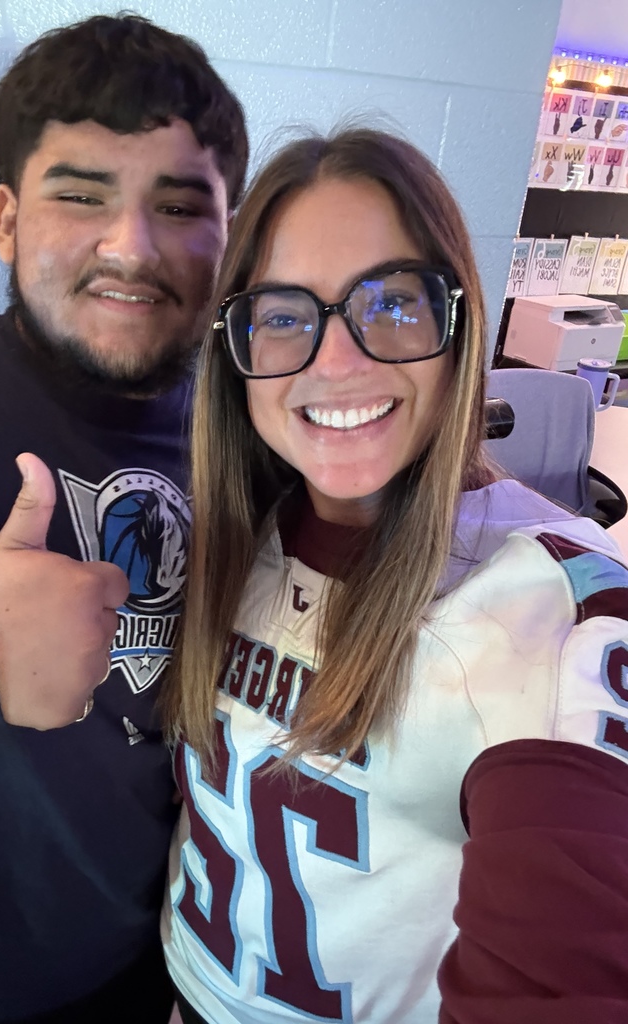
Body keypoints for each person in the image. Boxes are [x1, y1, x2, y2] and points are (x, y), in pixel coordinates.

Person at [159, 127, 628, 1023]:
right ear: (236, 352)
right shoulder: (231, 538)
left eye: (393, 303)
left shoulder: (557, 609)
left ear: (459, 327)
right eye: (284, 315)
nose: (338, 362)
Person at [0, 13, 247, 1024]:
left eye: (180, 205)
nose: (132, 246)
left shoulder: (254, 436)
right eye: (81, 195)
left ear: (230, 239)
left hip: (172, 980)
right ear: (6, 220)